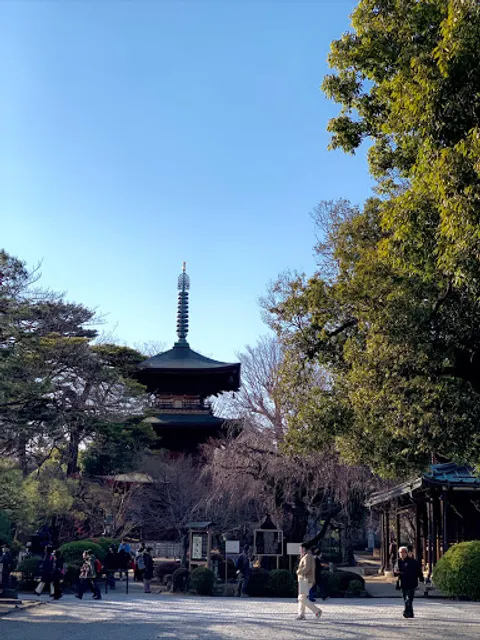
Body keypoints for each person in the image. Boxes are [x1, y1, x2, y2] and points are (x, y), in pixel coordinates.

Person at [394, 545, 424, 618]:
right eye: (400, 552)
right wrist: (396, 572)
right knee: (405, 598)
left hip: (411, 582)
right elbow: (394, 572)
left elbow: (418, 571)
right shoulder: (398, 561)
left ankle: (407, 611)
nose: (401, 554)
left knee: (409, 598)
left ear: (406, 553)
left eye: (403, 552)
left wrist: (421, 578)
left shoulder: (413, 562)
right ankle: (410, 613)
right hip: (403, 582)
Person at [296, 544, 322, 621]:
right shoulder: (307, 556)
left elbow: (307, 568)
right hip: (305, 579)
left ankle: (317, 611)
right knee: (302, 597)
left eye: (300, 548)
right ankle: (301, 615)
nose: (300, 550)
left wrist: (298, 571)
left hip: (305, 579)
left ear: (304, 548)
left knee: (301, 597)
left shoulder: (308, 556)